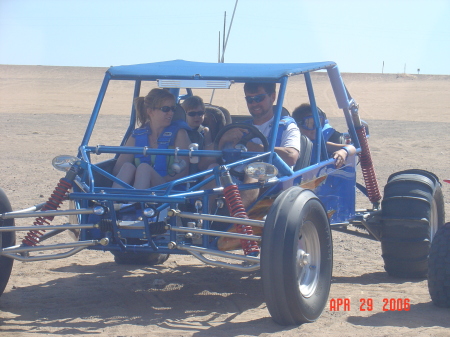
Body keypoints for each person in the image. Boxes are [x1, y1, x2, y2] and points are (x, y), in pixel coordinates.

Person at [112, 88, 191, 189]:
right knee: (128, 167)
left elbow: (183, 174)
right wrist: (138, 178)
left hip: (168, 189)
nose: (171, 113)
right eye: (166, 109)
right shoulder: (136, 136)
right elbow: (117, 170)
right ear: (150, 111)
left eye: (173, 109)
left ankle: (136, 203)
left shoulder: (180, 134)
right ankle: (112, 202)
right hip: (139, 188)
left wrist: (149, 178)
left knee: (144, 169)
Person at [292, 103, 355, 168]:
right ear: (297, 126)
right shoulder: (290, 144)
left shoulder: (319, 144)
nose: (314, 129)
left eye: (318, 124)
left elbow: (352, 148)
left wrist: (344, 152)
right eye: (309, 124)